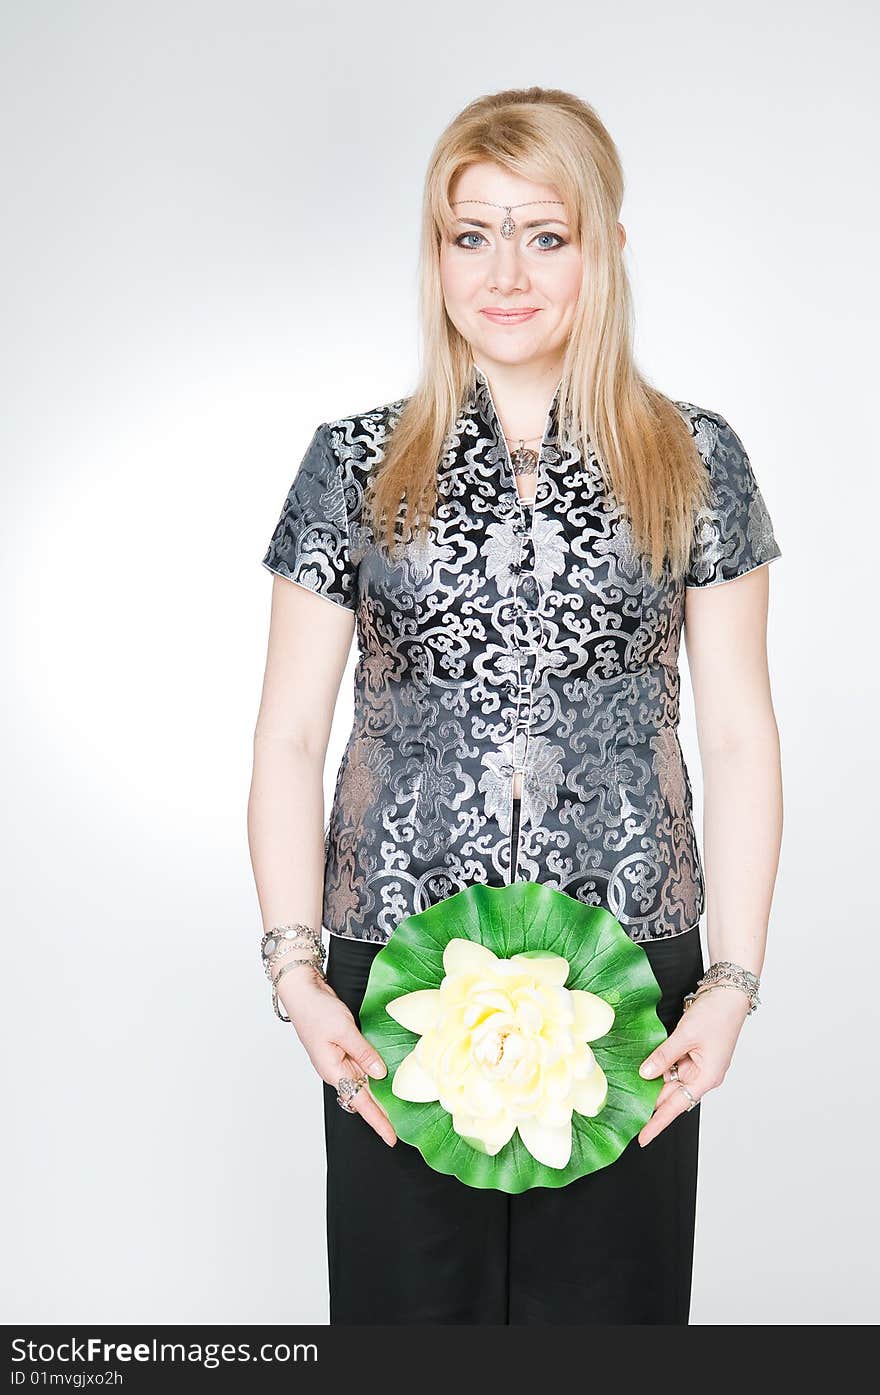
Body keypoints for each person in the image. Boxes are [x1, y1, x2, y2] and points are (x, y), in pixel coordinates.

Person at [248, 86, 783, 1325]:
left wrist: (731, 984)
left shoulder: (695, 457)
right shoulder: (354, 460)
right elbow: (286, 737)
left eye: (543, 233)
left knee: (608, 1330)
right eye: (469, 233)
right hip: (391, 975)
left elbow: (741, 737)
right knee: (407, 1328)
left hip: (633, 977)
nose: (504, 272)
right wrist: (298, 978)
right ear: (434, 254)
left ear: (603, 247)